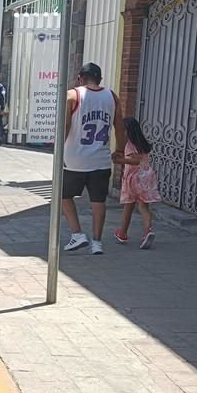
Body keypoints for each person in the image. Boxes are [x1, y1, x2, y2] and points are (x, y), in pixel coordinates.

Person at [62, 62, 125, 255]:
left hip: (75, 160)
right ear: (100, 80)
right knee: (98, 201)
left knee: (64, 196)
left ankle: (77, 234)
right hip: (101, 159)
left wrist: (59, 152)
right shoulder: (112, 97)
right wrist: (120, 151)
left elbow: (64, 127)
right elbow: (120, 127)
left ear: (80, 78)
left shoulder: (72, 95)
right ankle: (97, 242)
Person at [114, 117, 161, 249]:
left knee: (128, 207)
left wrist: (120, 161)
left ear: (127, 131)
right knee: (143, 207)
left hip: (133, 178)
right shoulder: (143, 143)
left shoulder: (129, 145)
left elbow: (134, 161)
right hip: (147, 176)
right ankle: (148, 231)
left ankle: (122, 233)